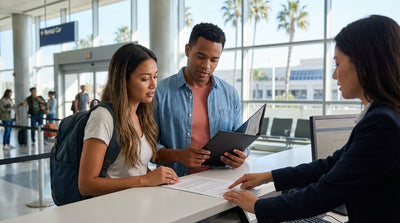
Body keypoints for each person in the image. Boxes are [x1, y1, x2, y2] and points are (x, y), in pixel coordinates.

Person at [223, 15, 400, 222]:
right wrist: (269, 176)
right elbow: (331, 165)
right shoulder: (385, 114)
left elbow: (325, 194)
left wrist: (257, 205)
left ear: (363, 64)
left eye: (337, 64)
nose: (334, 76)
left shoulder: (382, 123)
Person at [78, 43, 179, 197]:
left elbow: (135, 170)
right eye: (145, 78)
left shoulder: (143, 115)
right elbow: (86, 185)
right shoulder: (103, 117)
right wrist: (145, 180)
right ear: (123, 80)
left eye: (155, 76)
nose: (153, 85)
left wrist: (158, 178)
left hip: (137, 205)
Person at [154, 23, 247, 177]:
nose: (206, 66)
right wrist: (179, 155)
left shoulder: (230, 94)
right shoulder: (159, 93)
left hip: (221, 179)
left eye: (214, 60)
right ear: (187, 50)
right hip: (176, 182)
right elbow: (147, 149)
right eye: (201, 56)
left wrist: (242, 154)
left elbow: (240, 139)